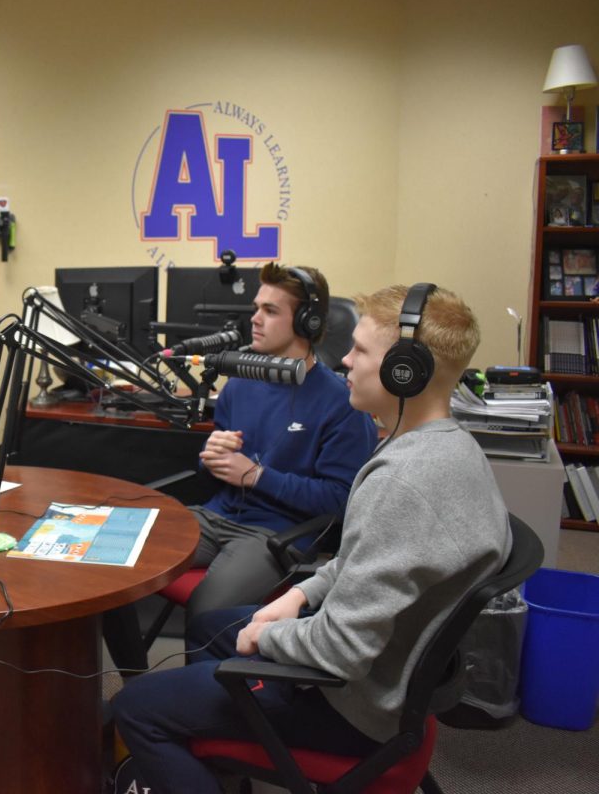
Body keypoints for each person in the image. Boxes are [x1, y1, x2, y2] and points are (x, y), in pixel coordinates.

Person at [112, 283, 511, 794]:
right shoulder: (451, 450)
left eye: (361, 350)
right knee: (213, 625)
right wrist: (300, 595)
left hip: (350, 707)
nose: (345, 359)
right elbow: (360, 559)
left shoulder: (403, 481)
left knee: (135, 708)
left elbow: (339, 651)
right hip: (382, 678)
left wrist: (268, 637)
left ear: (404, 370)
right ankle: (219, 754)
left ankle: (206, 733)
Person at [184, 262, 377, 618]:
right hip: (215, 517)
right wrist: (210, 459)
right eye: (256, 308)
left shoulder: (342, 402)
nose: (255, 318)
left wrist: (258, 476)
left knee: (207, 611)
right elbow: (212, 475)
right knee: (115, 558)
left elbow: (341, 501)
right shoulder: (239, 383)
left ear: (307, 321)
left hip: (273, 535)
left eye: (270, 311)